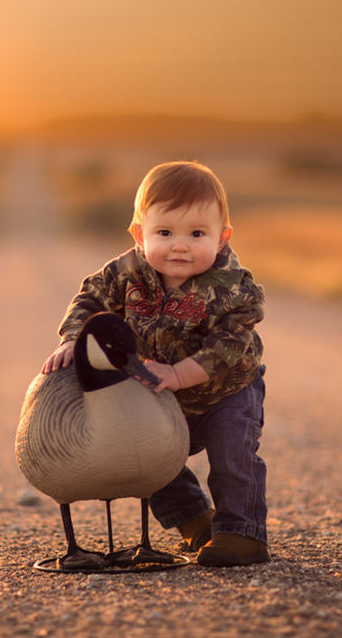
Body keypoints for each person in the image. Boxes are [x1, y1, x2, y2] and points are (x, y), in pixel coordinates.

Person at [42, 161, 269, 567]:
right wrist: (74, 337)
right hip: (160, 388)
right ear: (139, 234)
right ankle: (195, 521)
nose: (179, 245)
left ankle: (242, 532)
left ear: (222, 238)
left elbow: (231, 344)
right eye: (164, 233)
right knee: (148, 456)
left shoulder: (231, 285)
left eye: (197, 234)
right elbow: (89, 300)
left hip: (225, 391)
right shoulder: (127, 272)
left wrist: (182, 374)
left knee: (232, 454)